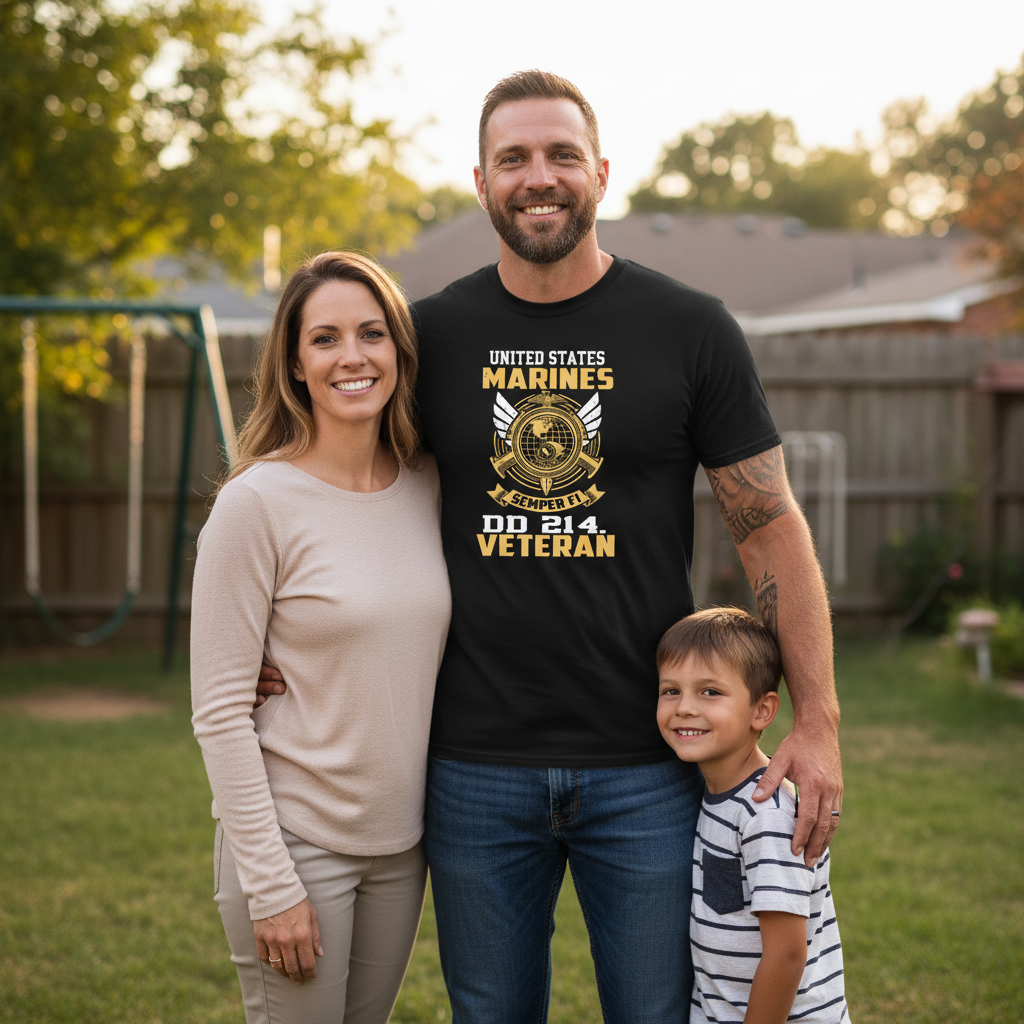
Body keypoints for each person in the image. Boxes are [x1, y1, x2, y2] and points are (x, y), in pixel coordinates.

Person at [258, 70, 842, 1024]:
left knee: (659, 1014)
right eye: (514, 158)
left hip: (649, 763)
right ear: (481, 182)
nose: (540, 176)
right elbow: (349, 492)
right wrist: (280, 649)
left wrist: (816, 720)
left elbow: (768, 522)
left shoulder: (690, 329)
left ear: (602, 173)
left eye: (562, 154)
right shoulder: (427, 338)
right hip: (472, 762)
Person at [191, 250, 451, 1024]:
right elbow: (219, 712)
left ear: (399, 353)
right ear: (295, 363)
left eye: (372, 334)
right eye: (325, 338)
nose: (352, 357)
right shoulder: (256, 504)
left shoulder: (431, 486)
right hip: (296, 845)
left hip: (403, 848)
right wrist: (272, 885)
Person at [656, 608, 849, 1023]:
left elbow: (787, 954)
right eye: (670, 690)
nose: (684, 707)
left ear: (762, 711)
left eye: (710, 692)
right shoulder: (715, 796)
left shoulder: (766, 812)